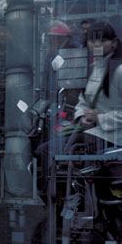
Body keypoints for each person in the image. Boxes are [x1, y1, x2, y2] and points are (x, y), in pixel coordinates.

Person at [36, 21, 122, 196]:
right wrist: (83, 115)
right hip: (93, 131)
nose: (96, 45)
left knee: (47, 150)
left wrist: (99, 117)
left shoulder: (118, 70)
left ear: (113, 43)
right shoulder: (96, 69)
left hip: (110, 135)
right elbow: (83, 101)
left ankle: (59, 197)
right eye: (92, 40)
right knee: (44, 149)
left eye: (102, 40)